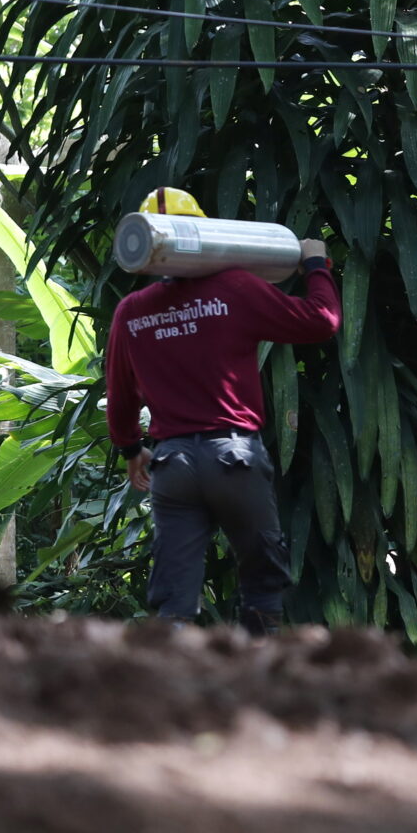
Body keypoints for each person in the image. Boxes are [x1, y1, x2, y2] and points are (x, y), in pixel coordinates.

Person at [105, 188, 340, 631]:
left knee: (174, 600)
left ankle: (173, 667)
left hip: (172, 465)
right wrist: (315, 265)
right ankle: (258, 663)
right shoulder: (235, 289)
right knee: (262, 587)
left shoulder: (130, 311)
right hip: (234, 459)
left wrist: (131, 449)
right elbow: (321, 320)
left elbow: (120, 396)